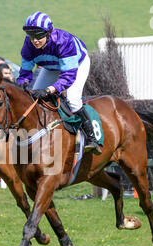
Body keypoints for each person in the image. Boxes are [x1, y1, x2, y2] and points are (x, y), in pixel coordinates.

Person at [17, 11, 101, 155]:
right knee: (33, 99)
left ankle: (91, 138)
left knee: (72, 99)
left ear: (49, 33)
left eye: (39, 35)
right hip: (51, 67)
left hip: (76, 65)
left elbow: (68, 77)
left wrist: (49, 90)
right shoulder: (28, 45)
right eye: (31, 35)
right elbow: (25, 71)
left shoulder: (63, 41)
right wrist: (23, 83)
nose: (35, 40)